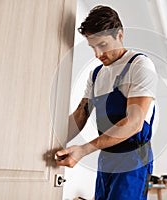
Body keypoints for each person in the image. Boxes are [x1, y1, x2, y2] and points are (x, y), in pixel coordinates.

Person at [56, 5, 157, 200]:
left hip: (133, 160)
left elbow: (134, 123)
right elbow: (80, 114)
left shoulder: (139, 65)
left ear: (120, 35)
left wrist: (84, 150)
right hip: (106, 158)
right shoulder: (95, 74)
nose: (97, 54)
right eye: (92, 47)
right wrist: (52, 139)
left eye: (102, 45)